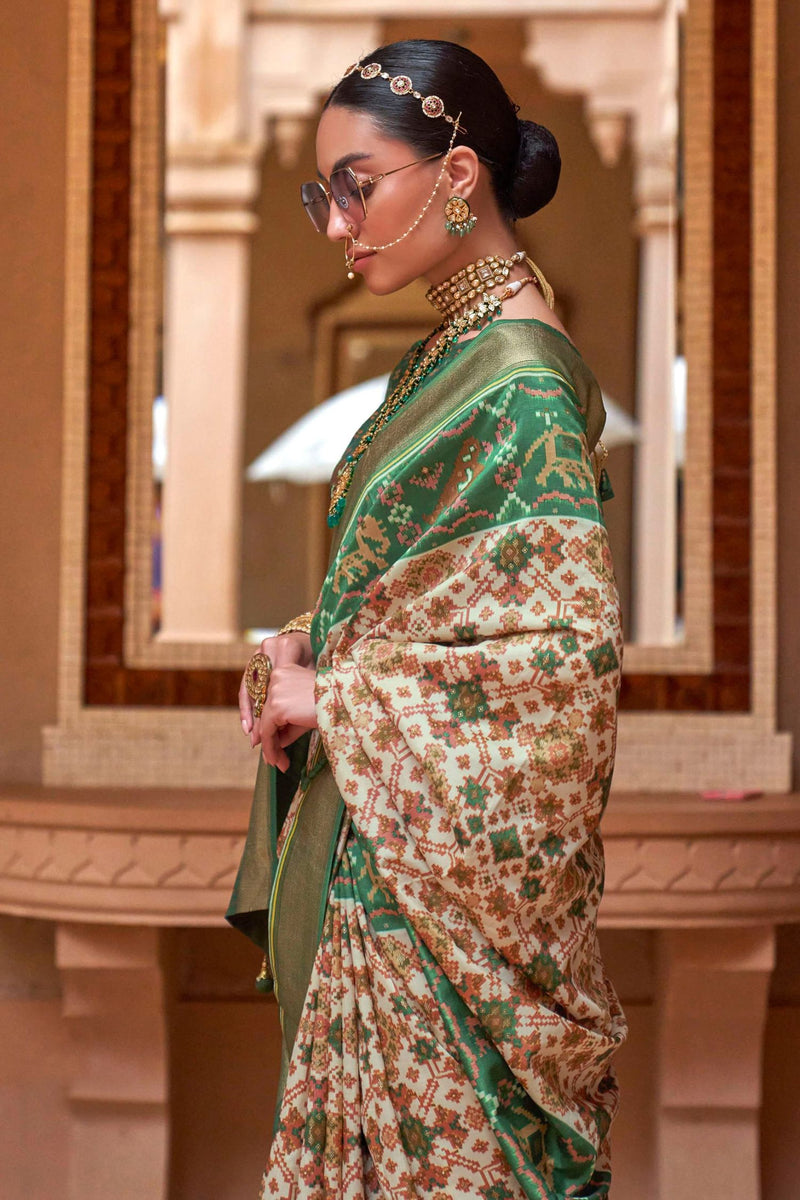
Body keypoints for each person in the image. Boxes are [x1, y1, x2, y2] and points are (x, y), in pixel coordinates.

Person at [229, 38, 626, 1200]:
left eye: (358, 184)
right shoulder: (445, 354)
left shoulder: (518, 373)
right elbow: (434, 594)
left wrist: (340, 696)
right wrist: (313, 643)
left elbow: (558, 669)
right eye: (323, 194)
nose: (336, 220)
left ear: (456, 177)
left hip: (440, 929)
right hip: (377, 874)